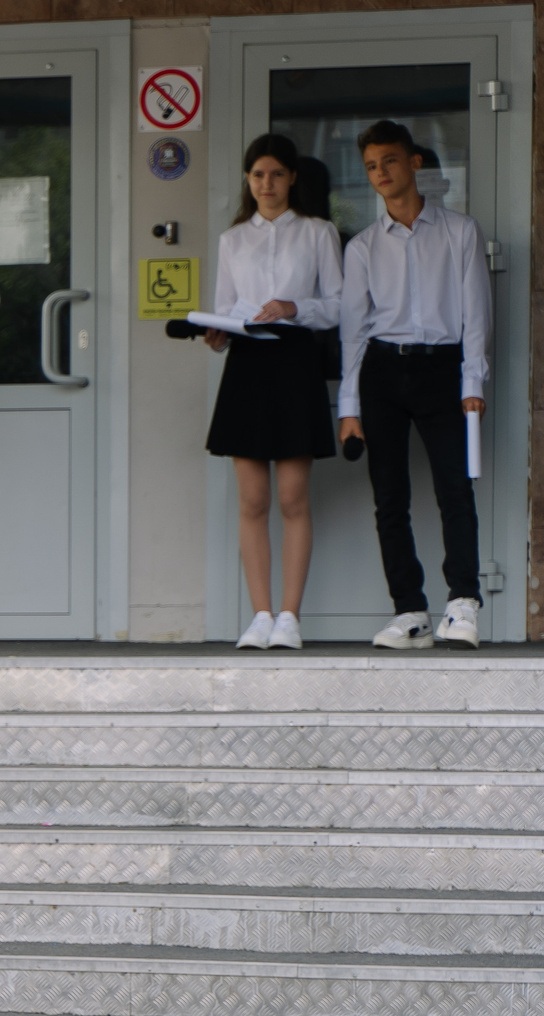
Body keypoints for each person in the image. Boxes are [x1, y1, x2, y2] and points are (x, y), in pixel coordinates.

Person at [339, 121, 491, 651]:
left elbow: (476, 315)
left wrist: (473, 381)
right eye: (372, 167)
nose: (381, 173)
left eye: (390, 162)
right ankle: (410, 611)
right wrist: (348, 407)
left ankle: (463, 602)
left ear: (415, 164)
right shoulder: (361, 248)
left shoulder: (460, 231)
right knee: (390, 497)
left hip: (442, 369)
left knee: (455, 487)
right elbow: (353, 332)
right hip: (383, 371)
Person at [204, 134, 344, 651]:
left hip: (294, 362)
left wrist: (293, 308)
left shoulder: (318, 232)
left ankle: (290, 617)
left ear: (292, 179)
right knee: (253, 499)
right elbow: (224, 306)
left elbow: (338, 306)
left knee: (291, 497)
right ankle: (259, 615)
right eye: (258, 175)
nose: (267, 184)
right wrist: (217, 336)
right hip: (246, 364)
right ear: (248, 180)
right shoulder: (232, 239)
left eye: (277, 174)